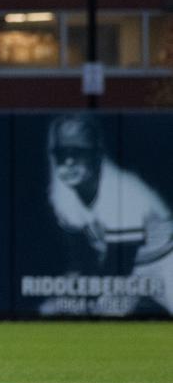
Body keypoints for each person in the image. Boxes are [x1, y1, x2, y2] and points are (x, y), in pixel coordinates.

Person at [45, 114, 173, 315]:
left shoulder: (122, 190)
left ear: (96, 156)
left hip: (165, 260)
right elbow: (81, 255)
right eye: (62, 154)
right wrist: (75, 289)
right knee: (57, 311)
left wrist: (88, 295)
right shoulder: (62, 193)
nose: (68, 162)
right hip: (119, 264)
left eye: (78, 153)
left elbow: (120, 264)